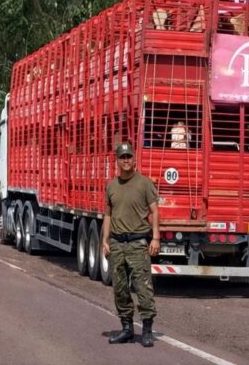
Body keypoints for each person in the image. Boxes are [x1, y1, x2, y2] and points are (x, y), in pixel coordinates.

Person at [102, 142, 160, 347]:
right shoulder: (111, 186)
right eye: (122, 157)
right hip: (117, 243)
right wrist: (105, 241)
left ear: (134, 159)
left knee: (143, 287)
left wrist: (155, 238)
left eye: (129, 156)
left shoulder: (144, 183)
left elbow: (154, 212)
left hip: (137, 243)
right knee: (119, 287)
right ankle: (126, 328)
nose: (126, 160)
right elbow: (108, 215)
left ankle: (146, 330)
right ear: (116, 161)